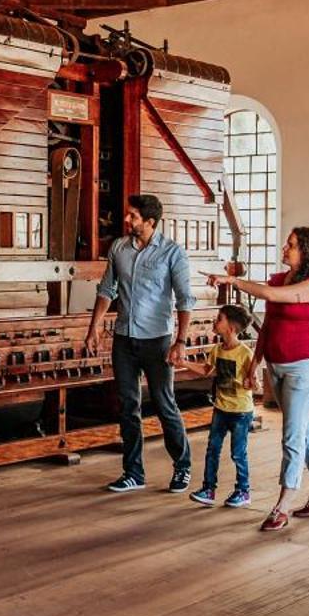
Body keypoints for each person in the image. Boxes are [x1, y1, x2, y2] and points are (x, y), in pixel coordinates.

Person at [208, 226, 309, 530]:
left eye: (291, 245)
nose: (284, 248)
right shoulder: (279, 279)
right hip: (276, 366)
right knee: (304, 431)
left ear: (306, 251)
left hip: (304, 369)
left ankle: (283, 505)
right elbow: (267, 327)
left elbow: (271, 294)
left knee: (291, 436)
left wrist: (233, 280)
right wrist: (255, 364)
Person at [84, 194, 193, 494]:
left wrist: (180, 341)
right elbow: (107, 289)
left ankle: (182, 467)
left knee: (163, 404)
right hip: (123, 339)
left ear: (150, 222)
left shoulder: (173, 253)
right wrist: (93, 329)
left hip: (157, 341)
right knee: (127, 406)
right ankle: (133, 472)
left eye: (132, 216)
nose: (127, 220)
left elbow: (185, 300)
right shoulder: (119, 248)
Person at [191, 303, 255, 508]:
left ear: (231, 328)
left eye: (219, 319)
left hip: (241, 412)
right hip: (220, 408)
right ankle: (208, 489)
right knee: (212, 449)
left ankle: (243, 491)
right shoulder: (217, 349)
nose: (215, 322)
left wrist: (251, 383)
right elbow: (206, 370)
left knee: (238, 452)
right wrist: (182, 362)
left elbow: (257, 383)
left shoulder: (245, 353)